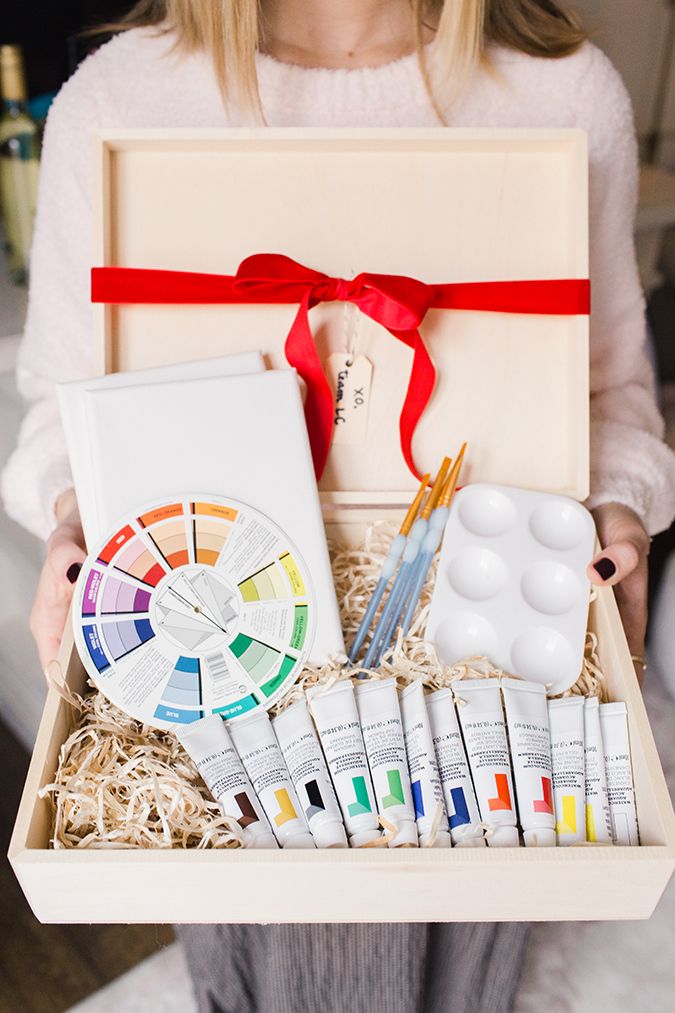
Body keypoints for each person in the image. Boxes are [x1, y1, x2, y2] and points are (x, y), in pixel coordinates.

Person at [3, 2, 674, 1011]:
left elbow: (613, 398)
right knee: (264, 936)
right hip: (211, 592)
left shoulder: (566, 87)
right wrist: (72, 520)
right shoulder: (118, 97)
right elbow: (60, 409)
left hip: (472, 594)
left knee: (468, 938)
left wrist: (617, 510)